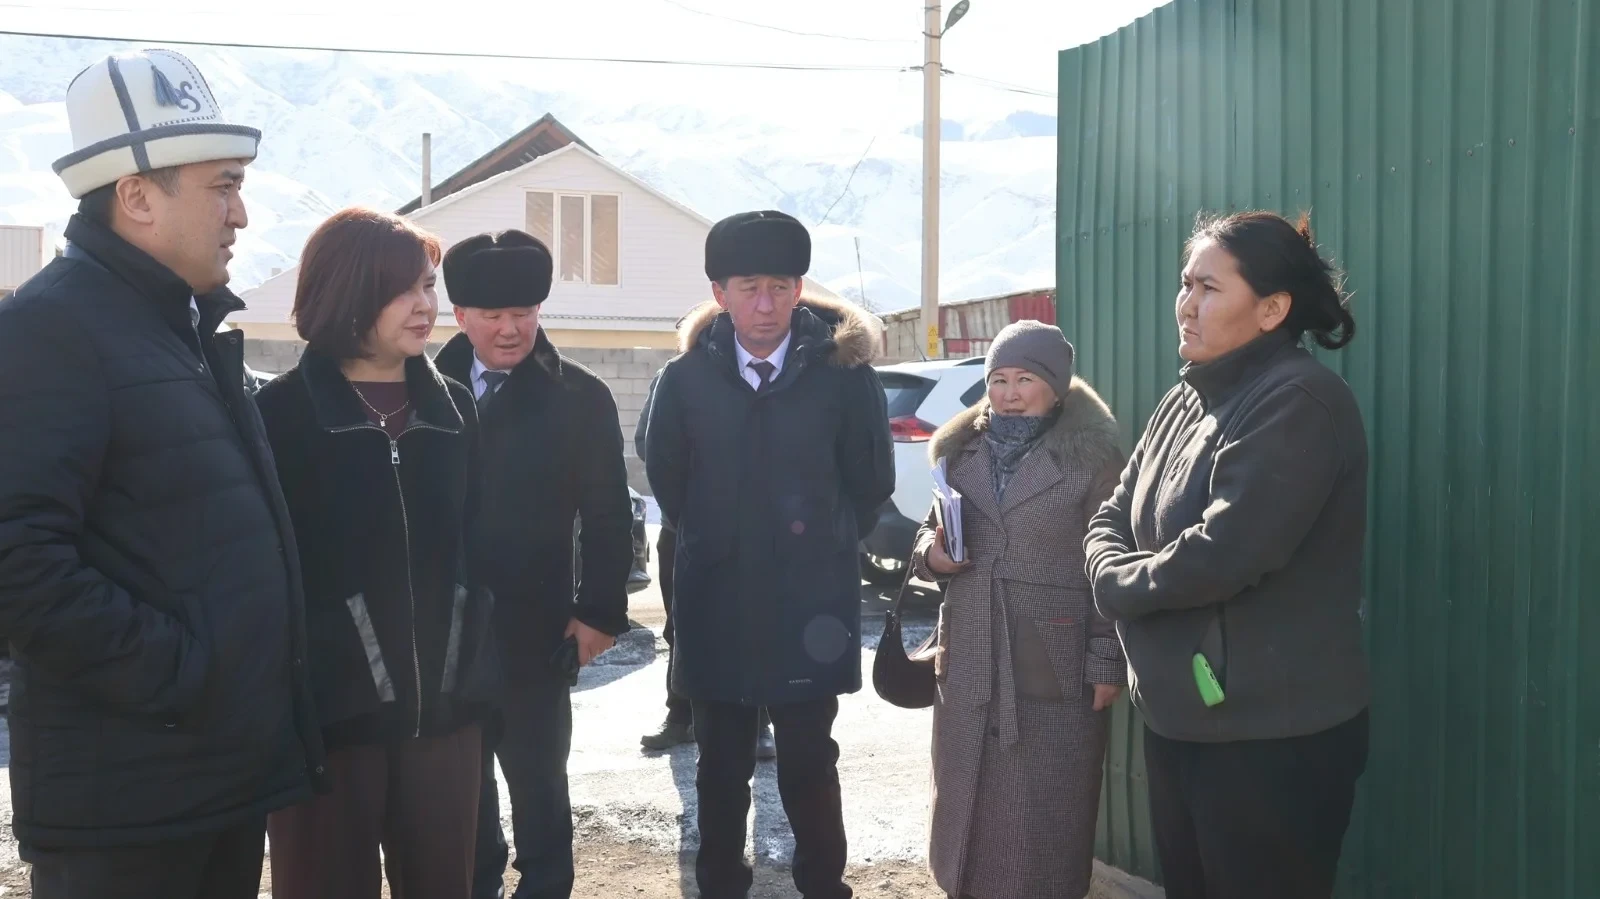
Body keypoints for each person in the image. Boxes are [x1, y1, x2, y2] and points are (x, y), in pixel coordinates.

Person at [0, 49, 321, 898]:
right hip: (126, 808)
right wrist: (186, 676)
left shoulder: (179, 330)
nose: (241, 213)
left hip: (209, 783)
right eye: (222, 186)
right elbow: (17, 561)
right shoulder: (50, 330)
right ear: (137, 196)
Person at [1085, 211, 1369, 899]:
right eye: (1186, 283)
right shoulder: (1186, 396)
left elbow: (1224, 553)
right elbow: (1111, 513)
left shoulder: (1299, 399)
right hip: (1182, 718)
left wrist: (1115, 586)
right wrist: (1110, 566)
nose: (1186, 304)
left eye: (1209, 288)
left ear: (1272, 309)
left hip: (1268, 736)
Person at [644, 210, 894, 899]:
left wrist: (816, 542)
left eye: (779, 287)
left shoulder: (843, 378)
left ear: (798, 289)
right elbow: (667, 478)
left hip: (811, 606)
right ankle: (721, 885)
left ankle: (824, 886)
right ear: (719, 293)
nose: (765, 304)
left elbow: (871, 482)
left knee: (810, 760)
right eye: (748, 287)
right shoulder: (685, 379)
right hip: (715, 598)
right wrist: (719, 536)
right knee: (720, 765)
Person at [257, 208, 497, 899]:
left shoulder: (453, 409)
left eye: (429, 286)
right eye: (405, 288)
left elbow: (477, 545)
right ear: (349, 291)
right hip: (327, 724)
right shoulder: (279, 415)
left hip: (445, 717)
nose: (426, 306)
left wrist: (476, 659)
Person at [432, 229, 633, 899]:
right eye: (493, 315)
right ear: (461, 315)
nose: (511, 329)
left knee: (540, 781)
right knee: (462, 785)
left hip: (538, 628)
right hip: (445, 628)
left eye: (524, 313)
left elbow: (607, 515)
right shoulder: (424, 389)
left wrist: (598, 614)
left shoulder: (579, 395)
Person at [910, 320, 1126, 899]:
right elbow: (929, 532)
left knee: (1043, 798)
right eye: (998, 379)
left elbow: (1113, 561)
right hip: (969, 644)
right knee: (964, 785)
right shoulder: (960, 452)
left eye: (1025, 379)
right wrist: (932, 557)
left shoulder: (1093, 459)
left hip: (1054, 650)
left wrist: (1106, 660)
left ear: (1056, 387)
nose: (1009, 393)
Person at [636, 370, 776, 760]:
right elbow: (649, 442)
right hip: (682, 529)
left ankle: (759, 722)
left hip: (755, 532)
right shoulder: (675, 376)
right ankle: (680, 716)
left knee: (755, 626)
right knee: (681, 626)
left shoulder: (763, 377)